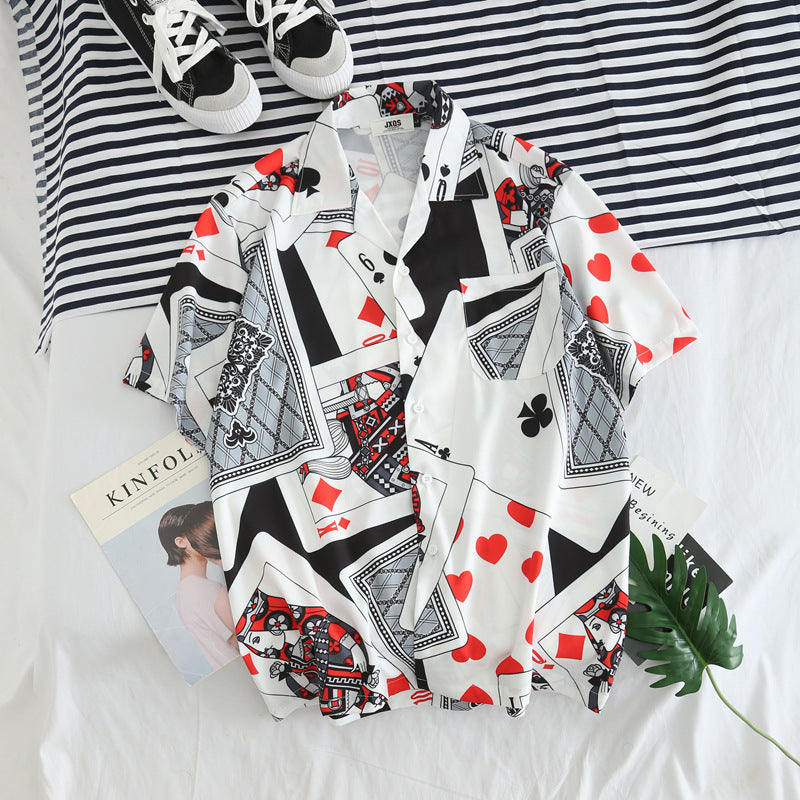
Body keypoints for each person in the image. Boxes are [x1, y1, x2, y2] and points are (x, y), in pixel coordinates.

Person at [158, 502, 239, 670]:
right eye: (196, 531)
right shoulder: (200, 590)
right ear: (180, 542)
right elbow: (243, 640)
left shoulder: (187, 590)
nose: (204, 534)